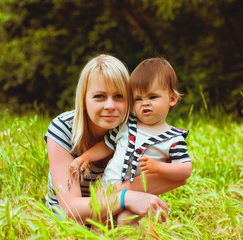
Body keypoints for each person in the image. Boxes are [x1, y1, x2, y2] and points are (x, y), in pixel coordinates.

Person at [45, 54, 185, 225]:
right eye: (99, 96)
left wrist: (118, 196)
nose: (110, 106)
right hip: (68, 227)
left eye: (119, 96)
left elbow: (179, 176)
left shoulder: (137, 130)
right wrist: (125, 197)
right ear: (83, 99)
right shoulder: (63, 128)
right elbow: (70, 210)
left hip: (117, 219)